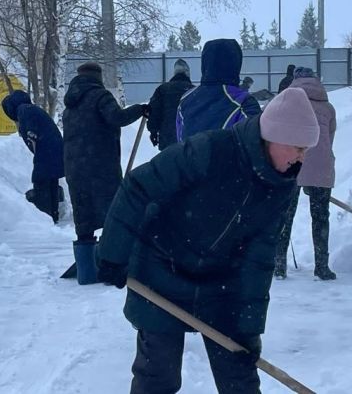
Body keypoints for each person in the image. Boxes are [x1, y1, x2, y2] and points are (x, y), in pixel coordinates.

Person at [97, 88, 320, 394]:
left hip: (221, 284)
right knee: (157, 376)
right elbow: (137, 187)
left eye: (306, 151)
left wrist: (249, 328)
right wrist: (112, 255)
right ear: (272, 136)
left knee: (239, 377)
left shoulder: (280, 186)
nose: (301, 158)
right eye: (297, 148)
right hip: (160, 268)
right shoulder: (211, 150)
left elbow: (259, 257)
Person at [61, 61, 148, 284]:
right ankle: (112, 269)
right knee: (113, 216)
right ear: (97, 77)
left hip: (74, 168)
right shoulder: (100, 96)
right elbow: (116, 118)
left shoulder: (70, 104)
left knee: (84, 217)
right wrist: (140, 110)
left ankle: (87, 272)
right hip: (101, 167)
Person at [275, 67, 337, 281]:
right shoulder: (328, 107)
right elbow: (329, 138)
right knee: (320, 218)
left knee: (284, 216)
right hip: (322, 167)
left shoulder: (288, 103)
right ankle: (322, 266)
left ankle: (279, 265)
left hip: (293, 164)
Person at [176, 39, 260, 141]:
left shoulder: (186, 99)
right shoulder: (243, 102)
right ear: (236, 63)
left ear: (205, 62)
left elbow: (180, 140)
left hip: (190, 156)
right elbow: (256, 144)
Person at [1, 90, 64, 224]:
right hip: (54, 148)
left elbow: (31, 132)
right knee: (51, 181)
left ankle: (44, 217)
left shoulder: (23, 110)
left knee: (41, 180)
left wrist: (32, 141)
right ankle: (53, 214)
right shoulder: (30, 108)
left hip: (46, 149)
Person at [146, 58, 194, 151]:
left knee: (168, 164)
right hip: (189, 141)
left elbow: (153, 111)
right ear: (187, 73)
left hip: (167, 139)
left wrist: (153, 131)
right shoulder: (194, 91)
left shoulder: (162, 89)